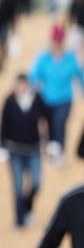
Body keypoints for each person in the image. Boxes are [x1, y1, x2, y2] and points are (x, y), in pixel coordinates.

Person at [28, 24, 84, 162]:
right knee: (48, 126)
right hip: (47, 98)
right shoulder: (43, 58)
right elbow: (34, 75)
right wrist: (34, 87)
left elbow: (79, 74)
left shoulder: (70, 58)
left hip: (65, 98)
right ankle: (51, 151)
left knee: (59, 123)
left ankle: (60, 150)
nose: (57, 44)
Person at [1, 73, 47, 228]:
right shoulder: (10, 101)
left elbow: (45, 119)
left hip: (33, 149)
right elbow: (4, 125)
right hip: (15, 150)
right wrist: (2, 148)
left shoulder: (36, 99)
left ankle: (27, 208)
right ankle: (19, 220)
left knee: (36, 183)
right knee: (18, 186)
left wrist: (50, 142)